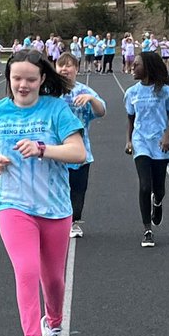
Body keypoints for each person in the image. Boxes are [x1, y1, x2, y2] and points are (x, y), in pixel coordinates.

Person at [0, 49, 86, 336]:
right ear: (8, 79)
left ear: (42, 79)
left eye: (30, 79)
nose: (23, 85)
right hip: (12, 204)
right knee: (25, 270)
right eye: (17, 79)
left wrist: (42, 149)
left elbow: (78, 152)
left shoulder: (56, 110)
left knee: (53, 279)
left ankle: (53, 323)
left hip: (54, 207)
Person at [125, 51, 169, 248]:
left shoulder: (165, 91)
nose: (132, 67)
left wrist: (168, 135)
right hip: (140, 141)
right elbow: (131, 118)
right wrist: (129, 140)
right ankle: (147, 230)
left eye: (137, 64)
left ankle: (157, 202)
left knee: (159, 188)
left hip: (159, 143)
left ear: (148, 67)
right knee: (144, 185)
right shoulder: (131, 93)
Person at [54, 53, 106, 239]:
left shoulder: (84, 91)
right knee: (57, 188)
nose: (64, 69)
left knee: (77, 189)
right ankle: (58, 221)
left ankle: (74, 221)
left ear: (76, 69)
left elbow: (101, 111)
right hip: (55, 152)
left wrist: (91, 99)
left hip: (80, 151)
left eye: (68, 65)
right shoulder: (48, 91)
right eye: (61, 65)